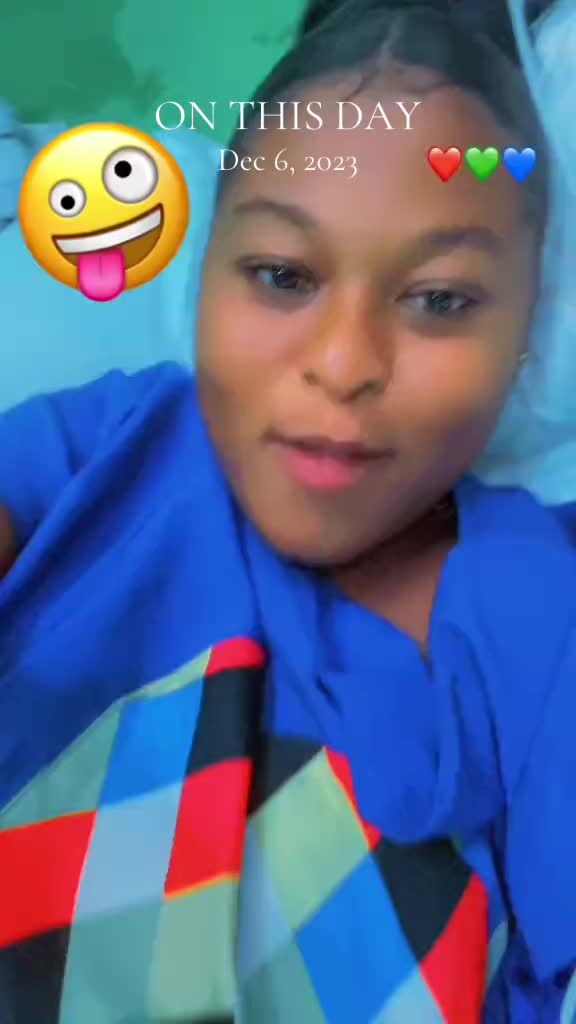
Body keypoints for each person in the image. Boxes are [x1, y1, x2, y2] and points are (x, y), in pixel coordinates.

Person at [0, 0, 575, 1020]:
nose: (345, 364)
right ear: (205, 273)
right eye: (282, 275)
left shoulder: (544, 605)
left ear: (528, 329)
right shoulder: (107, 450)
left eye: (441, 299)